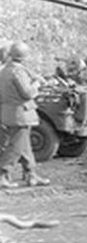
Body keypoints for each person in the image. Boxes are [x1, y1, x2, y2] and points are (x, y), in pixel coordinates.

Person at [0, 42, 49, 188]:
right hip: (20, 113)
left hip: (10, 112)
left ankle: (31, 174)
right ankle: (2, 174)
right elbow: (27, 93)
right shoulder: (18, 72)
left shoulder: (5, 70)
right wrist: (37, 84)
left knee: (25, 146)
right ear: (25, 56)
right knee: (16, 147)